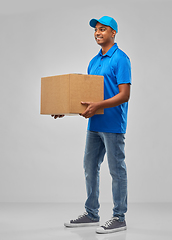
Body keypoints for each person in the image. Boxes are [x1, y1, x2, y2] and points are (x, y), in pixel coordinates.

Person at [52, 16, 131, 234]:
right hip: (94, 124)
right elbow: (87, 96)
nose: (98, 33)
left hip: (113, 124)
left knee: (117, 171)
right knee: (90, 167)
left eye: (103, 29)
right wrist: (64, 108)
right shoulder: (94, 61)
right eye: (96, 30)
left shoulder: (121, 59)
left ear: (113, 33)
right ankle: (92, 213)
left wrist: (98, 105)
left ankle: (119, 217)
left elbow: (125, 95)